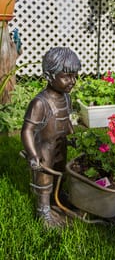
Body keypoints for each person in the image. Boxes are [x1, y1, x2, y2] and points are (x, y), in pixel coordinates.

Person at [21, 47, 81, 227]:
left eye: (75, 76)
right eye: (66, 77)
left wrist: (72, 135)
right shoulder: (40, 103)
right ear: (48, 76)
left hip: (61, 147)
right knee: (45, 178)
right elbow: (27, 130)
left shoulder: (66, 98)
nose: (73, 81)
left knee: (61, 172)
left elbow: (66, 120)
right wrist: (32, 155)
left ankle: (58, 198)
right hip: (44, 150)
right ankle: (43, 210)